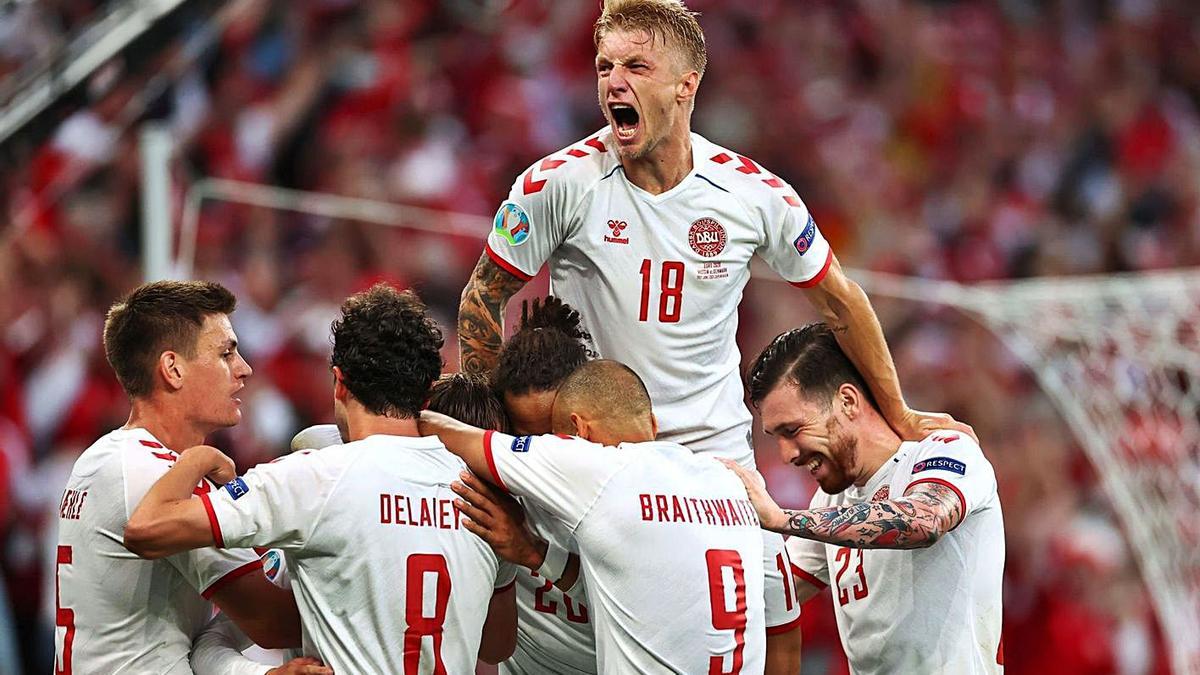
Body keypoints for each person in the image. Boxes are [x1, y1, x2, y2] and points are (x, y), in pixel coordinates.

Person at [459, 0, 970, 663]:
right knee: (557, 631)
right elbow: (481, 298)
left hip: (714, 461)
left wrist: (898, 412)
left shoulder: (754, 194)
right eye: (604, 66)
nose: (614, 81)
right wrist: (495, 431)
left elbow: (841, 301)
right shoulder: (557, 184)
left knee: (774, 617)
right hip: (600, 450)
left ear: (685, 84)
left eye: (636, 65)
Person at [123, 284, 518, 672]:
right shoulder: (482, 495)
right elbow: (498, 644)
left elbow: (146, 528)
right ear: (425, 390)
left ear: (339, 381)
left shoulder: (315, 477)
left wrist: (197, 458)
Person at [421, 359, 768, 673]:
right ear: (652, 423)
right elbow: (636, 598)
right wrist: (533, 553)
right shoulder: (728, 481)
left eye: (553, 436)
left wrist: (389, 407)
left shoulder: (597, 471)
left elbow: (458, 435)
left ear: (577, 432)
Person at [53, 280, 307, 674]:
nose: (244, 369)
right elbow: (275, 622)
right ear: (172, 369)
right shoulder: (159, 474)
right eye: (226, 353)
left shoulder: (106, 457)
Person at [723, 324, 1005, 674]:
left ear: (848, 401)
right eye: (776, 436)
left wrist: (782, 519)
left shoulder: (945, 453)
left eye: (792, 431)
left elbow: (924, 521)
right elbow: (772, 594)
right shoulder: (832, 500)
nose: (786, 454)